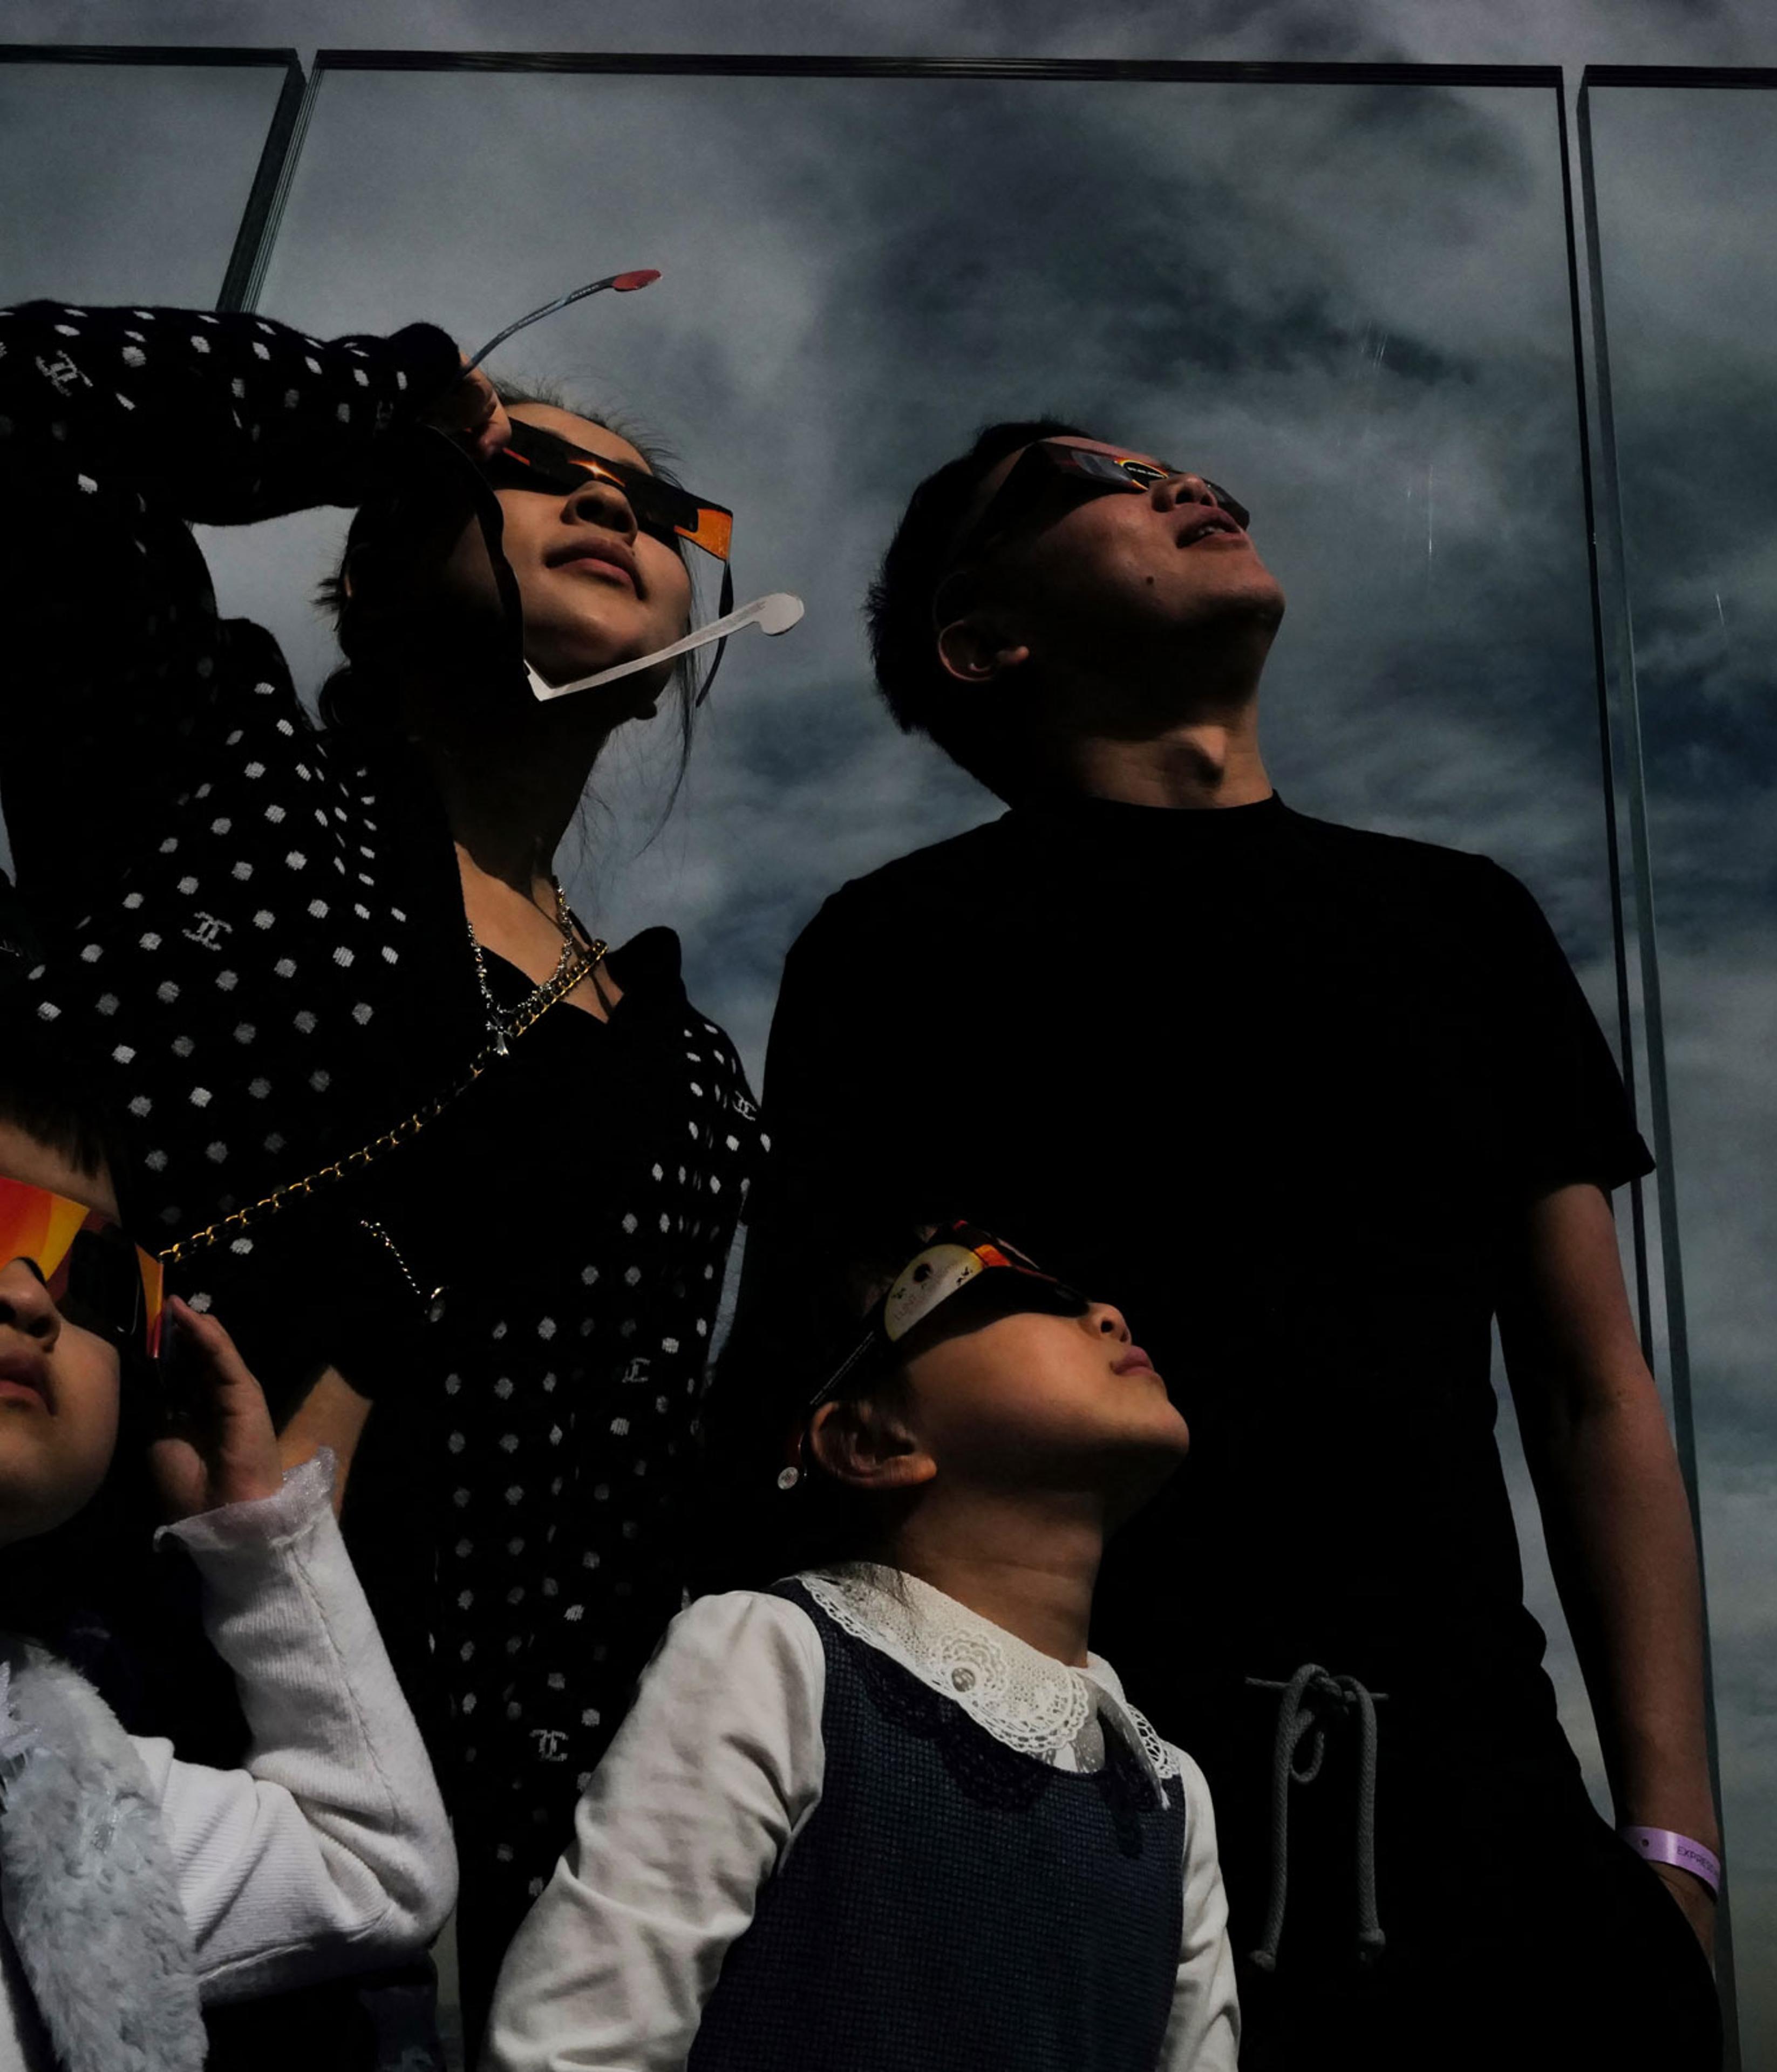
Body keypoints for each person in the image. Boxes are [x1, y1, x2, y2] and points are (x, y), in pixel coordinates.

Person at [747, 426, 1724, 2066]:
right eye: (1086, 477)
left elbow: (1592, 1391)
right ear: (987, 637)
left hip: (1491, 1844)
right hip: (1047, 1818)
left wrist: (1674, 1856)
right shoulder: (897, 948)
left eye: (1173, 465)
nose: (1183, 482)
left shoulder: (1464, 921)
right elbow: (804, 1400)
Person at [0, 297, 764, 2038]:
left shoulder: (692, 1084)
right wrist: (398, 397)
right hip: (65, 1698)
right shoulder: (216, 774)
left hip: (383, 1869)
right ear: (388, 546)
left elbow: (607, 1557)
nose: (611, 510)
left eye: (659, 508)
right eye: (532, 470)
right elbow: (28, 397)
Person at [484, 1218, 1238, 2072]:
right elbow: (577, 2052)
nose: (1107, 1314)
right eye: (1002, 1290)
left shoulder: (1170, 1794)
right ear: (871, 1440)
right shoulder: (772, 1655)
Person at [0, 1031, 457, 2070]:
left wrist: (257, 1534)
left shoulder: (64, 1786)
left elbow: (375, 1867)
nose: (31, 1296)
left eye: (92, 1271)